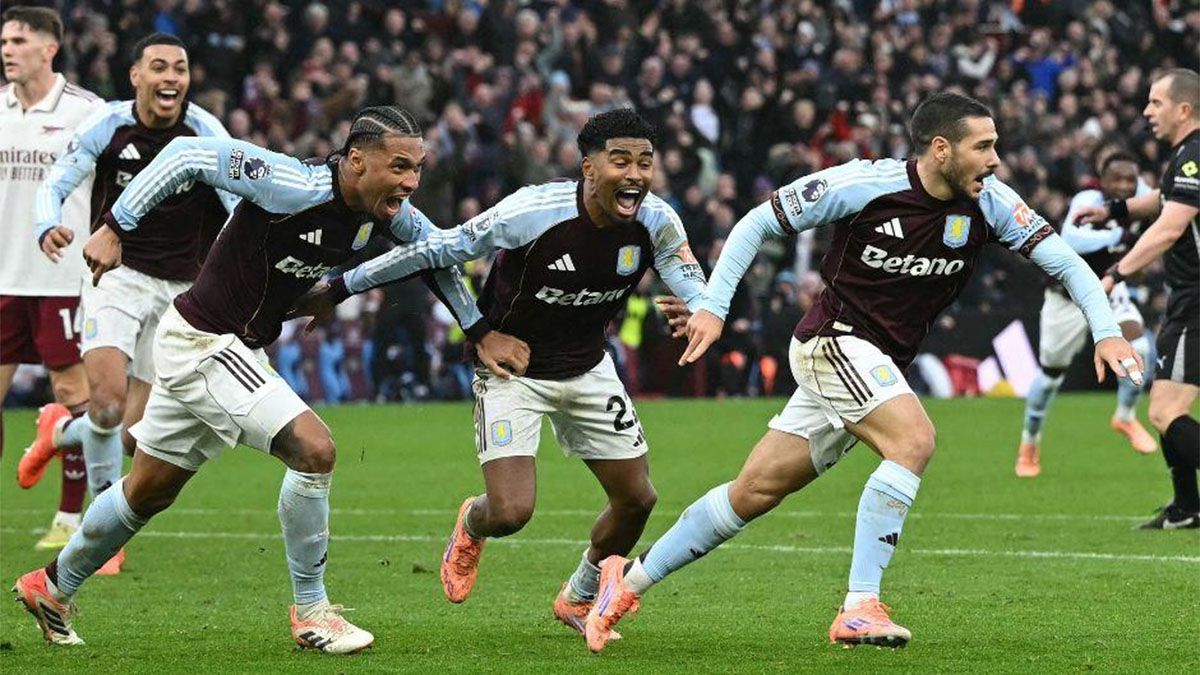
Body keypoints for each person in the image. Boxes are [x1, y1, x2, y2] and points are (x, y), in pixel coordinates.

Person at [581, 93, 1144, 652]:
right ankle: (859, 606)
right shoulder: (862, 185)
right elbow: (757, 223)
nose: (996, 159)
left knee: (753, 491)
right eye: (984, 146)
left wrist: (1107, 329)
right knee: (914, 440)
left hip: (872, 360)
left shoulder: (991, 202)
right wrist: (714, 306)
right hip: (835, 341)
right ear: (941, 149)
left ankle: (623, 585)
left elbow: (1067, 263)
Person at [12, 106, 529, 652]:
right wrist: (117, 225)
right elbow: (190, 155)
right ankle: (312, 612)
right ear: (356, 160)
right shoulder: (291, 182)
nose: (410, 182)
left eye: (417, 169)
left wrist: (475, 327)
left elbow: (436, 251)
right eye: (399, 166)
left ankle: (51, 586)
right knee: (315, 449)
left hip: (226, 345)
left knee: (147, 490)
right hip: (204, 342)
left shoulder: (386, 211)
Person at [295, 108, 705, 636]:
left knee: (638, 500)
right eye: (619, 161)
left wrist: (703, 310)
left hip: (588, 367)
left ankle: (578, 597)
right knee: (511, 512)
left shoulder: (657, 221)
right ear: (588, 167)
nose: (635, 175)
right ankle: (472, 523)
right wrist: (340, 287)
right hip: (514, 369)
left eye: (645, 163)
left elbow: (695, 286)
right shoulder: (533, 211)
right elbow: (434, 249)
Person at [21, 33, 237, 576]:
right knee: (109, 402)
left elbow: (240, 206)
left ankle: (57, 430)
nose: (171, 78)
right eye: (159, 67)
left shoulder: (207, 133)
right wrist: (49, 222)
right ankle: (103, 535)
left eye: (181, 69)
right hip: (113, 276)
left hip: (179, 293)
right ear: (135, 76)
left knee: (127, 435)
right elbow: (57, 180)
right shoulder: (107, 126)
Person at [0, 6, 104, 550]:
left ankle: (70, 518)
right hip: (3, 275)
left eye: (18, 40)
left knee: (71, 393)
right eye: (4, 41)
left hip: (64, 277)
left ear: (49, 48)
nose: (7, 49)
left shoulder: (87, 112)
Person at [1080, 68, 1200, 529]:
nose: (1148, 111)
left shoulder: (1193, 158)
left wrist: (1115, 273)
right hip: (1186, 298)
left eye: (1156, 103)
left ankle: (1189, 506)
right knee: (1169, 409)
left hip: (1195, 300)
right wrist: (1114, 209)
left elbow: (1170, 227)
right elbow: (1161, 203)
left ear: (1183, 109)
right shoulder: (1185, 159)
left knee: (1166, 412)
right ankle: (1188, 508)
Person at [1015, 151, 1157, 477]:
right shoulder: (1088, 198)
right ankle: (1029, 442)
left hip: (1108, 291)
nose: (1123, 185)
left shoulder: (1144, 198)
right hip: (1066, 296)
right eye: (1116, 179)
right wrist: (1118, 235)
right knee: (1051, 377)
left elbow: (1172, 209)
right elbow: (1072, 238)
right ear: (1102, 180)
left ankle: (1124, 416)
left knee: (1141, 349)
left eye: (1129, 179)